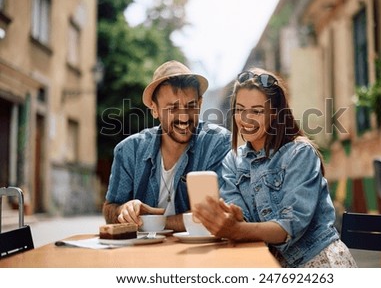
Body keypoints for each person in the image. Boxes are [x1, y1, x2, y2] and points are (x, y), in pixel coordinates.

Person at [192, 68, 357, 267]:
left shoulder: (300, 153)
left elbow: (290, 225)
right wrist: (232, 218)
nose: (245, 119)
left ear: (275, 113)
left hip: (318, 261)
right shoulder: (232, 161)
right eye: (240, 109)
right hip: (270, 265)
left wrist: (237, 229)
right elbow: (242, 222)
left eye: (257, 111)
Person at [103, 60, 231, 231]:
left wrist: (152, 222)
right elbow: (110, 208)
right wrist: (122, 210)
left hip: (200, 252)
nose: (184, 117)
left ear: (200, 104)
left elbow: (217, 215)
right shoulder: (128, 150)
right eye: (173, 108)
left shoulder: (218, 143)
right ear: (154, 110)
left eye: (191, 106)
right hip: (144, 255)